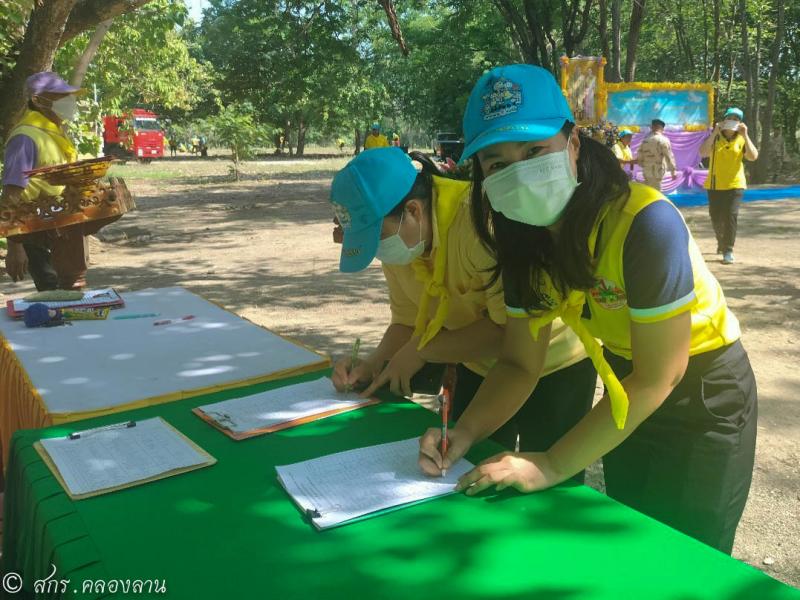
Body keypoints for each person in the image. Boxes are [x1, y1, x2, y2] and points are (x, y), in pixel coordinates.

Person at [418, 64, 757, 555]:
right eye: (496, 164)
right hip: (626, 384)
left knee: (685, 557)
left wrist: (551, 464)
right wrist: (464, 432)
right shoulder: (521, 241)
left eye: (534, 152)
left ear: (573, 144)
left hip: (703, 397)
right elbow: (518, 362)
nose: (519, 174)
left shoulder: (647, 224)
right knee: (631, 545)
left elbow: (661, 374)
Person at [329, 147, 595, 459]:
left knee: (552, 484)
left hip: (554, 365)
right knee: (466, 463)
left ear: (413, 211)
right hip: (476, 366)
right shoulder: (402, 239)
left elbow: (509, 332)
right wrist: (372, 364)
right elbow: (406, 321)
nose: (376, 250)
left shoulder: (478, 224)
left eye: (377, 237)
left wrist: (423, 350)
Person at [1, 72, 117, 290]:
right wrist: (15, 247)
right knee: (57, 296)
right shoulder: (25, 137)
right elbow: (10, 194)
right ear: (37, 100)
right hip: (36, 232)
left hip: (65, 228)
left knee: (73, 292)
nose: (68, 102)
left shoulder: (54, 133)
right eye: (59, 97)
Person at [699, 107, 759, 265]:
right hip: (715, 185)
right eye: (730, 118)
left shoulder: (742, 138)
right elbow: (703, 152)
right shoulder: (715, 137)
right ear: (724, 120)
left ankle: (728, 250)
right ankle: (721, 242)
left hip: (735, 185)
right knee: (716, 217)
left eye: (736, 119)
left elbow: (753, 157)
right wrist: (714, 132)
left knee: (730, 216)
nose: (733, 121)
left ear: (740, 123)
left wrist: (745, 134)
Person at [636, 118, 676, 191]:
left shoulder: (645, 140)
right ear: (661, 128)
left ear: (652, 127)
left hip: (646, 171)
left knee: (648, 191)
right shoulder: (664, 140)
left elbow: (639, 156)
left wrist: (644, 165)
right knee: (656, 193)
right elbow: (669, 157)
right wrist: (673, 171)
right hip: (657, 172)